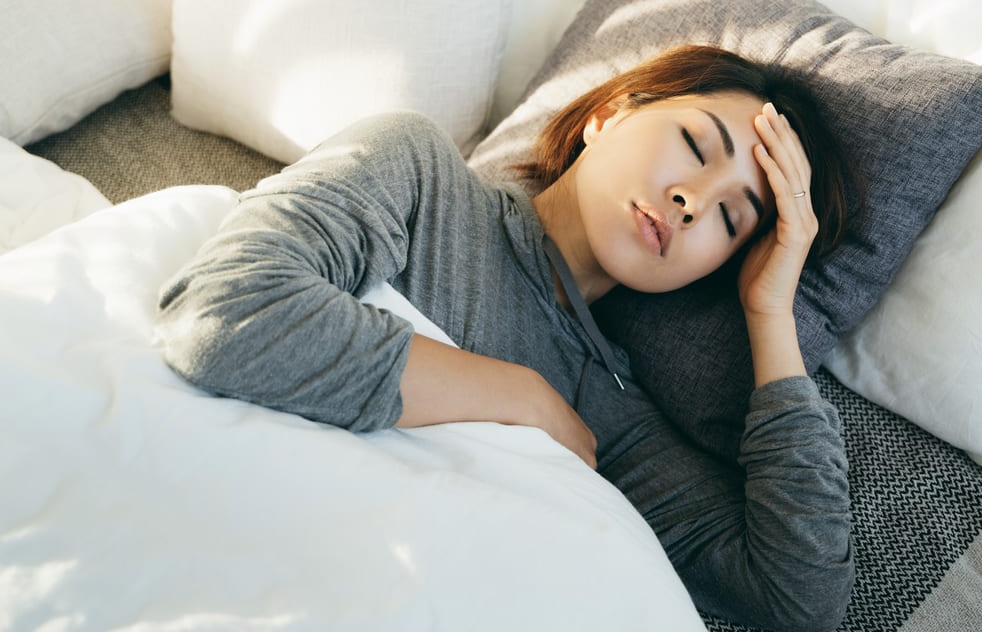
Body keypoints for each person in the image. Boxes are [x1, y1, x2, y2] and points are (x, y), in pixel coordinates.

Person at [155, 45, 857, 632]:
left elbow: (796, 595)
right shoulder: (420, 173)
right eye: (694, 145)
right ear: (610, 116)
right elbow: (222, 316)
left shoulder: (612, 417)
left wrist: (769, 311)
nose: (693, 200)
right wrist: (518, 397)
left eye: (732, 220)